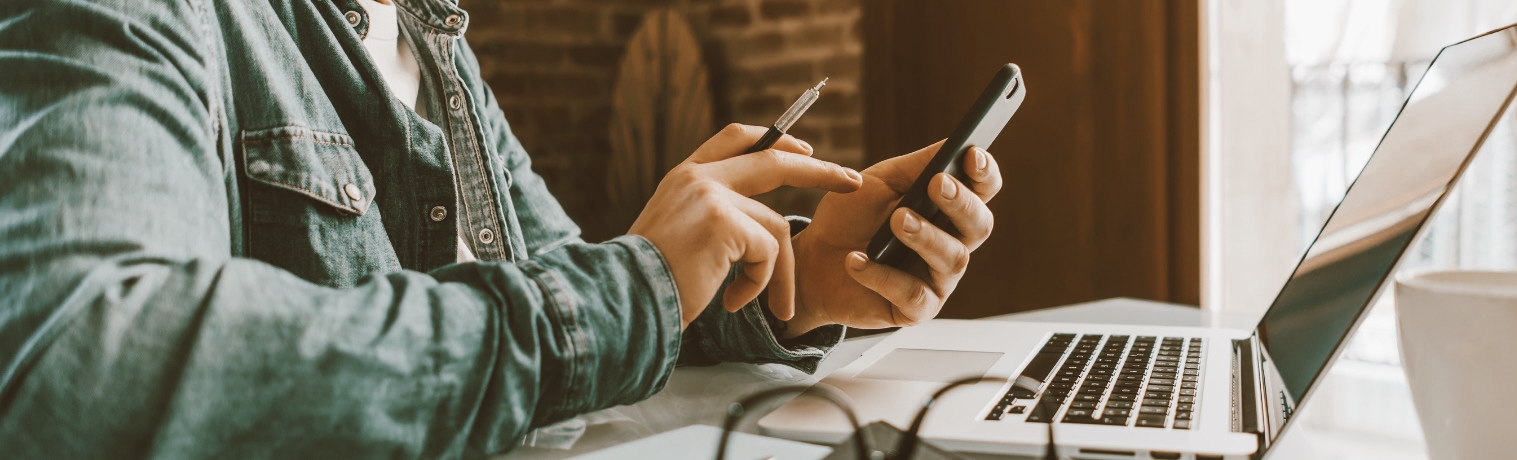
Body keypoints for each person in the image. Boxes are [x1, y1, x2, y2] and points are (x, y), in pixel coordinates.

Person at [0, 0, 1004, 457]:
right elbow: (86, 369)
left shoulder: (425, 31)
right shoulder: (127, 13)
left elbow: (563, 293)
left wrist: (796, 278)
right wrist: (630, 286)